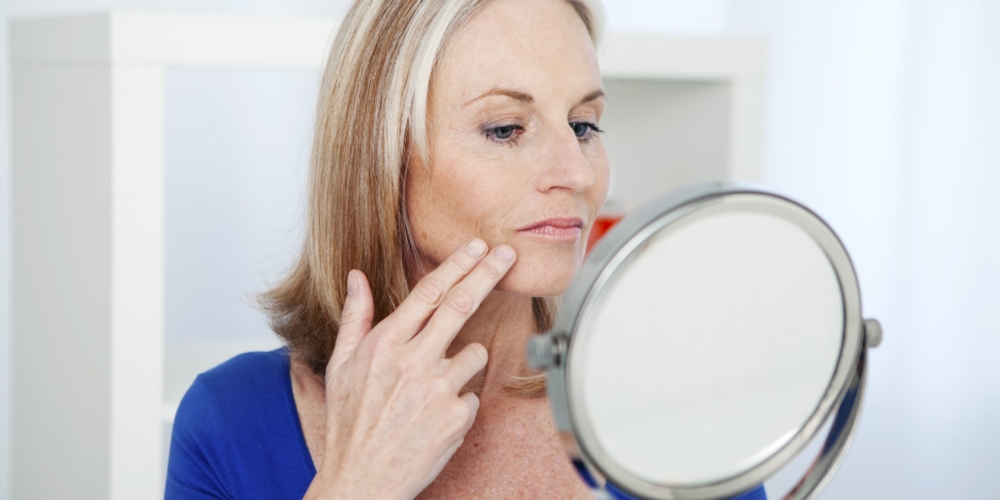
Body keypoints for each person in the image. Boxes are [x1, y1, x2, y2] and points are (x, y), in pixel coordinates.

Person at [165, 0, 767, 498]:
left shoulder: (682, 413)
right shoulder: (231, 421)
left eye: (583, 125)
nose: (576, 174)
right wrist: (355, 486)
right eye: (505, 128)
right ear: (381, 159)